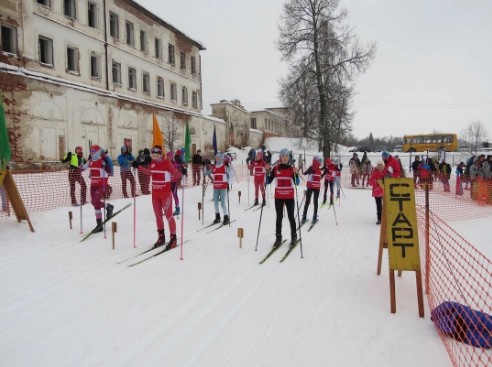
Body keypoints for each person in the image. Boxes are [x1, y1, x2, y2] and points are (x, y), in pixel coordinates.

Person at [132, 145, 180, 250]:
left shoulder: (167, 163)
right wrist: (138, 167)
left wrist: (182, 173)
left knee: (169, 216)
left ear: (160, 154)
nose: (154, 157)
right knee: (158, 216)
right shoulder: (152, 163)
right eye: (152, 155)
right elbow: (149, 173)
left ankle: (173, 238)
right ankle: (161, 237)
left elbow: (175, 175)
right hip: (155, 196)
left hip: (165, 195)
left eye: (156, 155)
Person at [266, 148, 300, 248]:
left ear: (288, 157)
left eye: (286, 156)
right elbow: (268, 182)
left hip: (289, 197)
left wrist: (296, 173)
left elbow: (297, 183)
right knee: (279, 217)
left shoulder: (291, 169)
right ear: (280, 157)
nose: (285, 158)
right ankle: (278, 238)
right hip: (279, 197)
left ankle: (294, 237)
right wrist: (267, 171)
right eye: (283, 156)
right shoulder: (276, 169)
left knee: (291, 217)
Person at [81, 145, 114, 233]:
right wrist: (79, 167)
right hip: (93, 185)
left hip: (102, 184)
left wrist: (105, 164)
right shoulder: (90, 161)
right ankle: (99, 224)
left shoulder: (103, 160)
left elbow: (110, 171)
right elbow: (83, 168)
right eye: (91, 151)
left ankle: (108, 207)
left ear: (98, 152)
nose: (92, 153)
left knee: (94, 201)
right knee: (96, 205)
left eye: (93, 151)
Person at [204, 152, 230, 225]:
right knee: (215, 203)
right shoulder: (214, 167)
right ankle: (217, 216)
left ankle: (226, 217)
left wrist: (228, 167)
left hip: (222, 188)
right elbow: (206, 173)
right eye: (216, 158)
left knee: (222, 203)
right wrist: (205, 167)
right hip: (216, 187)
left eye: (218, 158)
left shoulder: (224, 166)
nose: (216, 159)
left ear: (221, 158)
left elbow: (230, 173)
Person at [301, 156, 323, 224]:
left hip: (310, 186)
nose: (321, 163)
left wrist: (301, 169)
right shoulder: (319, 169)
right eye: (320, 161)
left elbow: (304, 173)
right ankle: (314, 217)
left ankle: (304, 216)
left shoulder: (312, 167)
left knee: (307, 201)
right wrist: (325, 172)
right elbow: (320, 178)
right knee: (315, 202)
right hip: (317, 187)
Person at [368, 160, 385, 225]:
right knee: (379, 206)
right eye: (379, 165)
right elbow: (370, 182)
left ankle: (386, 218)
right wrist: (375, 181)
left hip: (384, 191)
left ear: (383, 166)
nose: (380, 167)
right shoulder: (374, 173)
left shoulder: (386, 173)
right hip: (377, 192)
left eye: (381, 165)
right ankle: (379, 219)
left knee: (386, 205)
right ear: (377, 166)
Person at [166, 151, 181, 216]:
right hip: (168, 183)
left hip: (174, 182)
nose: (169, 158)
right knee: (167, 196)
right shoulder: (165, 163)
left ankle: (177, 208)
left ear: (172, 157)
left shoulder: (175, 164)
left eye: (170, 156)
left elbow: (180, 168)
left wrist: (181, 169)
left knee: (175, 195)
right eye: (168, 156)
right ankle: (167, 209)